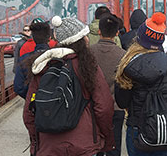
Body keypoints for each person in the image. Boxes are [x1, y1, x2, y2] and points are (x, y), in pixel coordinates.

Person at [23, 16, 115, 155]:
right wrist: (106, 138)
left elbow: (29, 113)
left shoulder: (43, 66)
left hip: (49, 147)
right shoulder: (87, 67)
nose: (88, 39)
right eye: (85, 36)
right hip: (83, 146)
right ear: (80, 40)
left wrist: (37, 142)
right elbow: (103, 107)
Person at [115, 12, 167, 156]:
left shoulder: (129, 66)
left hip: (138, 131)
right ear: (161, 40)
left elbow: (122, 102)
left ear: (140, 39)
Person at [90, 14, 126, 156]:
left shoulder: (89, 52)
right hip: (116, 106)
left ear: (99, 31)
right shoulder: (123, 54)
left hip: (94, 106)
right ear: (117, 33)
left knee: (96, 146)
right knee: (114, 146)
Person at [14, 20, 50, 99]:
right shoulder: (59, 58)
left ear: (33, 37)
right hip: (54, 105)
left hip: (32, 104)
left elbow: (18, 88)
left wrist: (31, 97)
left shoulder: (24, 59)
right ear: (49, 38)